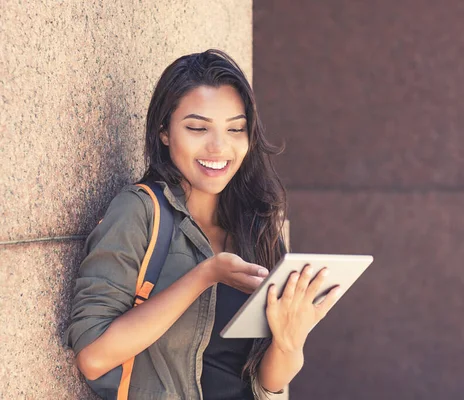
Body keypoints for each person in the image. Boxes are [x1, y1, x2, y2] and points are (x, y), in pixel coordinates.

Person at [64, 49, 341, 400]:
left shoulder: (256, 223)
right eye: (197, 127)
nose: (218, 147)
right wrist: (205, 275)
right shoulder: (140, 212)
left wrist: (289, 341)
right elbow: (93, 357)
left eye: (236, 129)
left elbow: (268, 383)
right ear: (164, 131)